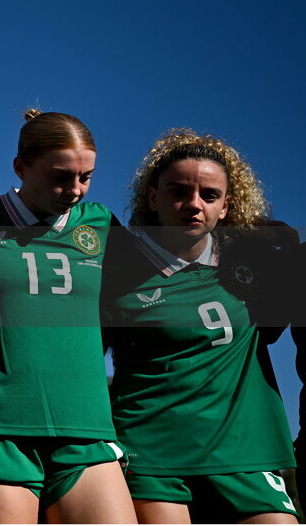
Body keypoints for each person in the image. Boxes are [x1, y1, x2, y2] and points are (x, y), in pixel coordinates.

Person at [0, 110, 135, 524]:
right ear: (20, 166)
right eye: (61, 176)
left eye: (86, 177)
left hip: (86, 428)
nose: (75, 189)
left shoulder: (103, 224)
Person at [102, 129, 297, 524]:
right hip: (151, 451)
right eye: (177, 191)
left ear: (226, 206)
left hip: (243, 452)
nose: (193, 204)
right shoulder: (114, 270)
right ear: (152, 198)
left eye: (209, 195)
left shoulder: (256, 259)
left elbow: (274, 325)